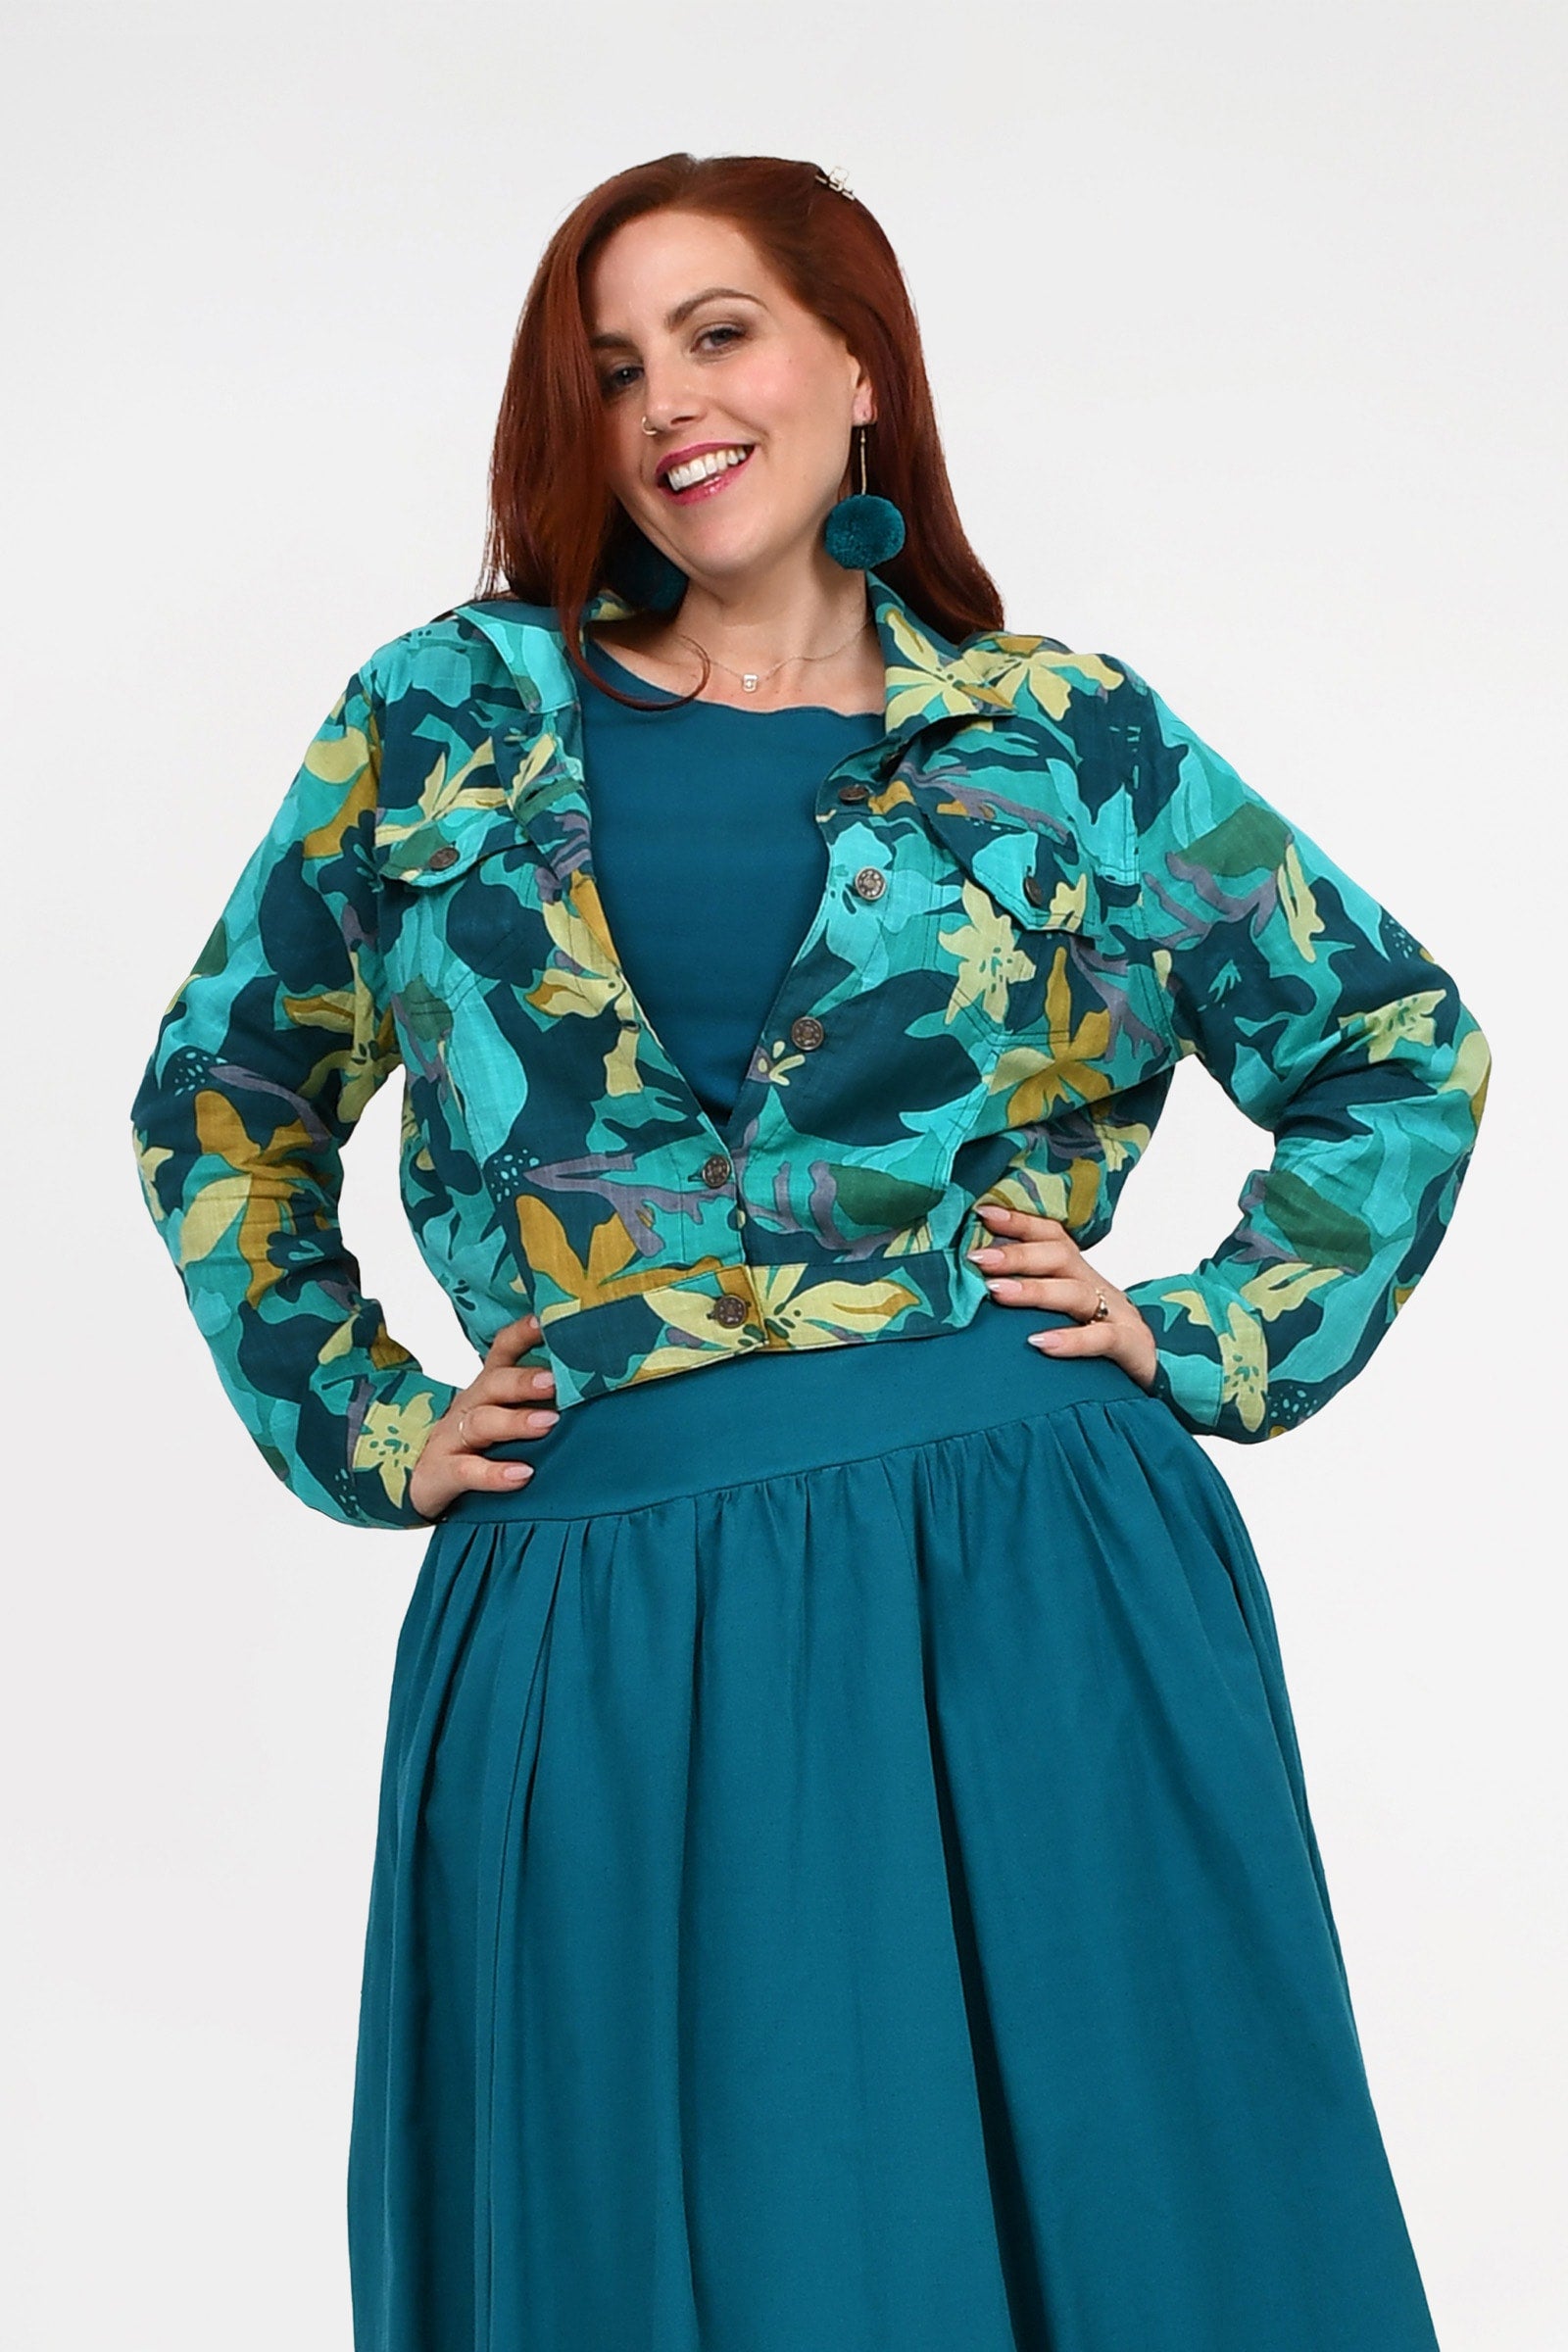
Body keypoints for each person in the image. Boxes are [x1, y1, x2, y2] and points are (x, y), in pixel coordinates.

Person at [129, 151, 1489, 2352]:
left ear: (857, 363)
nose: (665, 399)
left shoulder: (1057, 735)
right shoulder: (437, 717)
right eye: (609, 370)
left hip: (1026, 1575)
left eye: (717, 331)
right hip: (595, 1591)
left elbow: (1391, 1044)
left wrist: (1215, 1331)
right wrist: (367, 1419)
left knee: (1136, 2228)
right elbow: (220, 1095)